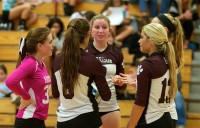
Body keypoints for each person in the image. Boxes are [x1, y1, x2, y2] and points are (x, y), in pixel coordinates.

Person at [51, 18, 111, 128]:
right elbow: (106, 96)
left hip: (63, 120)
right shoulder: (92, 61)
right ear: (88, 35)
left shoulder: (57, 59)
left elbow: (55, 94)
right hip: (88, 118)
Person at [115, 23, 177, 128]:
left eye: (142, 37)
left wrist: (130, 125)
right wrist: (138, 82)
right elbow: (155, 87)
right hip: (167, 118)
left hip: (151, 120)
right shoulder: (168, 60)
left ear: (151, 40)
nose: (139, 41)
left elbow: (140, 103)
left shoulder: (147, 64)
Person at [6, 27, 54, 128]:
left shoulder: (41, 63)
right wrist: (26, 96)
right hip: (28, 120)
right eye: (50, 42)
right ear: (40, 46)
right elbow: (10, 81)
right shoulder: (30, 63)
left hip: (38, 119)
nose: (52, 45)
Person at [87, 14, 126, 128]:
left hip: (109, 107)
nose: (100, 31)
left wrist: (120, 83)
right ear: (91, 30)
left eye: (104, 27)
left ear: (110, 30)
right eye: (97, 27)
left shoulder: (116, 52)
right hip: (86, 107)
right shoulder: (83, 51)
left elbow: (122, 86)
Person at [151, 13, 185, 128]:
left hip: (162, 114)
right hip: (163, 113)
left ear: (164, 30)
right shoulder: (167, 51)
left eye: (153, 25)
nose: (149, 28)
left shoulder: (165, 54)